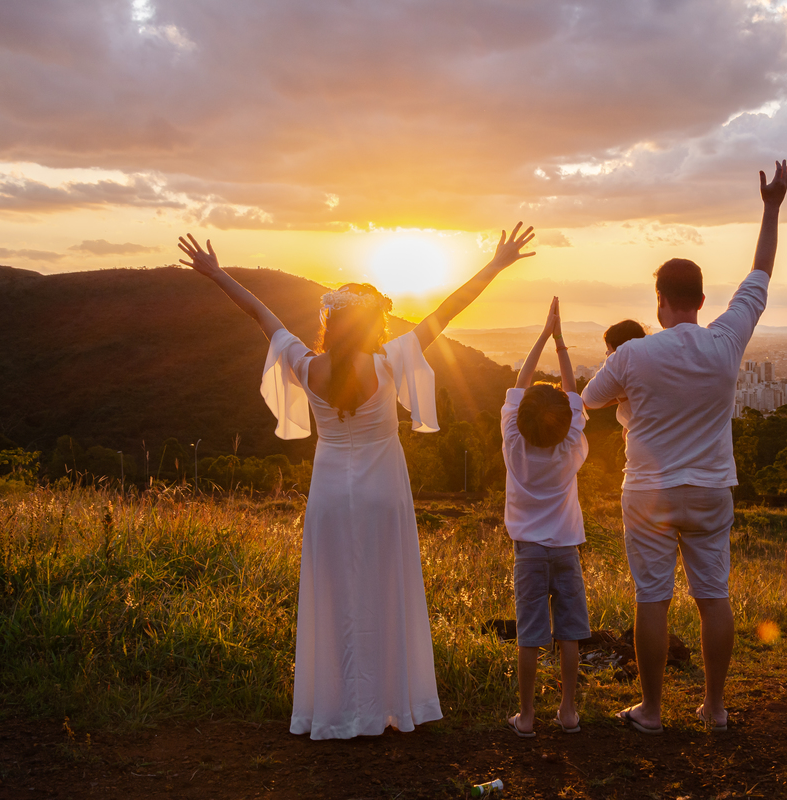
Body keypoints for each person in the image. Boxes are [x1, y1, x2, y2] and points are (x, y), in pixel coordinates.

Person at [177, 223, 536, 740]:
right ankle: (386, 705)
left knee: (335, 597)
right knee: (383, 591)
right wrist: (496, 263)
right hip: (382, 492)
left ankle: (338, 709)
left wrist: (217, 274)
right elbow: (449, 309)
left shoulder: (307, 366)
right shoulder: (388, 363)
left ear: (328, 324)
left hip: (328, 494)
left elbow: (261, 314)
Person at [582, 161, 787, 734]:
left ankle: (650, 712)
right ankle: (715, 709)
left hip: (649, 493)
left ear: (659, 301)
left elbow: (591, 401)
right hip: (711, 490)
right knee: (711, 597)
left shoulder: (631, 356)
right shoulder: (727, 338)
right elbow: (762, 272)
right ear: (702, 298)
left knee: (653, 600)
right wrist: (771, 207)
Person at [500, 297, 590, 737]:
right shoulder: (569, 447)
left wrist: (541, 333)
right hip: (566, 549)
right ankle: (569, 712)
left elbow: (521, 384)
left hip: (528, 552)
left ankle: (528, 717)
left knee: (529, 634)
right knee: (569, 632)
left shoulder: (514, 442)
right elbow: (573, 397)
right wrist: (561, 344)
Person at [602, 319, 647, 440]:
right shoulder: (645, 373)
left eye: (609, 349)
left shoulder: (625, 381)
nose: (606, 353)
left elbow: (589, 401)